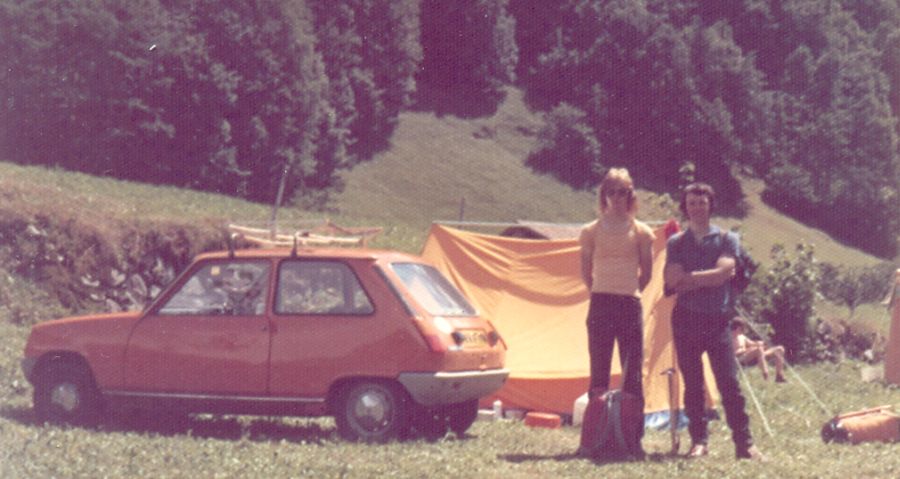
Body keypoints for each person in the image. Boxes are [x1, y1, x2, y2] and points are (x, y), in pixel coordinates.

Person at [664, 182, 765, 461]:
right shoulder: (676, 242)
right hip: (685, 320)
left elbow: (724, 273)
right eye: (692, 202)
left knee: (729, 383)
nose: (697, 207)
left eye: (702, 202)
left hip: (717, 321)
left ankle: (744, 445)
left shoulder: (727, 238)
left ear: (711, 205)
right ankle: (699, 442)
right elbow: (671, 280)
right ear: (686, 207)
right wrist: (707, 278)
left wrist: (690, 279)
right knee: (693, 384)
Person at [579, 168, 655, 454]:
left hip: (629, 304)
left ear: (630, 195)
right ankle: (593, 438)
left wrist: (628, 291)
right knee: (598, 371)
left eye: (623, 192)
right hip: (600, 303)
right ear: (604, 195)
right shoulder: (590, 231)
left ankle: (633, 440)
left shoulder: (642, 232)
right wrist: (600, 290)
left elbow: (646, 273)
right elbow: (585, 272)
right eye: (612, 191)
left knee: (632, 373)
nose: (618, 197)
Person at [732, 318, 786, 383]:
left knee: (779, 349)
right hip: (740, 359)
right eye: (742, 328)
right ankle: (766, 376)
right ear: (738, 328)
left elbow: (752, 343)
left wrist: (759, 343)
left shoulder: (742, 337)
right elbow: (730, 354)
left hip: (755, 355)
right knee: (758, 350)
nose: (743, 330)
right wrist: (743, 350)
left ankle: (779, 376)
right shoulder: (729, 338)